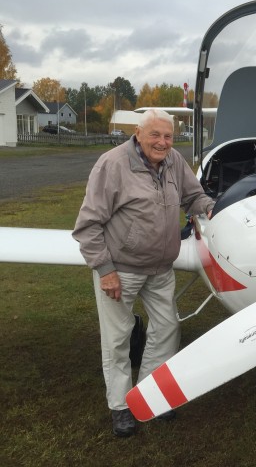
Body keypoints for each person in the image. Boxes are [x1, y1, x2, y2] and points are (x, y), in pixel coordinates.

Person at [72, 109, 215, 437]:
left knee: (167, 329)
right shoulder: (112, 164)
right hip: (121, 270)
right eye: (155, 135)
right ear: (138, 133)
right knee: (118, 338)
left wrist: (208, 207)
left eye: (168, 136)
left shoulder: (174, 160)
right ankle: (121, 407)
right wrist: (105, 270)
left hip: (161, 269)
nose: (163, 142)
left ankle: (151, 396)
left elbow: (193, 195)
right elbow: (88, 226)